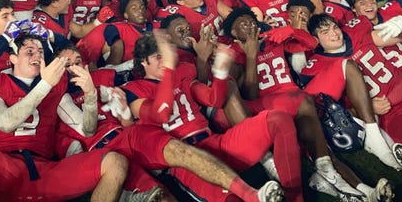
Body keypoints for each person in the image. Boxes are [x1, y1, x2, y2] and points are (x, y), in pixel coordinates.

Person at [224, 7, 395, 201]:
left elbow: (310, 43)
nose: (250, 25)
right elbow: (249, 94)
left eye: (252, 21)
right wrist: (251, 56)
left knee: (323, 151)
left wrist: (291, 30)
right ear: (234, 33)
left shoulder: (271, 38)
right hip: (267, 108)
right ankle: (348, 190)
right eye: (243, 24)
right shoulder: (235, 53)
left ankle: (364, 190)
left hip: (293, 99)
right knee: (313, 144)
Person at [0, 33, 130, 202]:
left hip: (44, 170)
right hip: (3, 170)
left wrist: (90, 94)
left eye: (41, 52)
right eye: (29, 52)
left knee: (115, 162)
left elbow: (88, 130)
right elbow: (6, 123)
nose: (37, 56)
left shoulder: (56, 85)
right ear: (13, 59)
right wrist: (44, 85)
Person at [123, 33, 289, 202]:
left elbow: (214, 99)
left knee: (278, 119)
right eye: (158, 57)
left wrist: (220, 71)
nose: (165, 61)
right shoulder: (135, 89)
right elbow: (161, 115)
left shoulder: (181, 74)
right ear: (143, 61)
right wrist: (169, 72)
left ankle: (295, 194)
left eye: (165, 56)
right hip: (186, 161)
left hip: (213, 141)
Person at [307, 13, 402, 187]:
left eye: (334, 27)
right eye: (325, 32)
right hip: (391, 117)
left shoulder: (357, 33)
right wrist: (366, 107)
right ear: (316, 39)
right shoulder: (319, 67)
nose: (334, 34)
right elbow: (335, 113)